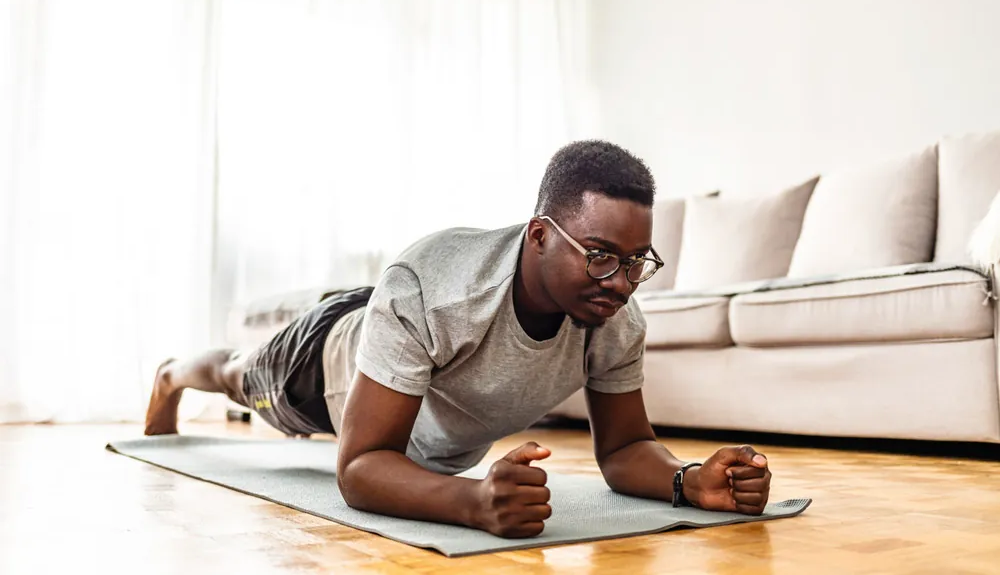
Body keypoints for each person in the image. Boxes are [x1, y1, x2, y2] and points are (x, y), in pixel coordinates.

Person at [144, 139, 772, 538]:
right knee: (238, 373)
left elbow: (627, 446)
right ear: (539, 235)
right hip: (326, 362)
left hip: (402, 316)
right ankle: (172, 373)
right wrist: (473, 503)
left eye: (639, 261)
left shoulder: (614, 318)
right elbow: (360, 468)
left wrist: (688, 480)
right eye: (602, 256)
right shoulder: (432, 289)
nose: (622, 282)